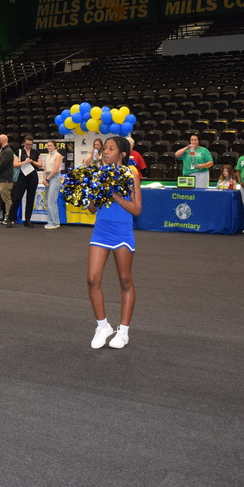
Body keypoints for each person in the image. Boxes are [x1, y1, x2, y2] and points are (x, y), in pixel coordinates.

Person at [86, 136, 143, 350]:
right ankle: (102, 326)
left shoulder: (131, 175)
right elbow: (92, 209)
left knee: (125, 280)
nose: (105, 152)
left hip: (122, 232)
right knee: (92, 278)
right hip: (101, 230)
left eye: (111, 148)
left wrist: (116, 195)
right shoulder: (99, 174)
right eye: (105, 148)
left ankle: (124, 331)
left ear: (123, 154)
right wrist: (93, 194)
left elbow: (137, 210)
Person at [10, 134, 42, 227]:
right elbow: (15, 164)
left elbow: (40, 165)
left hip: (33, 176)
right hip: (22, 176)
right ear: (24, 143)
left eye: (31, 144)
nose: (29, 146)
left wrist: (32, 161)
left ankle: (27, 220)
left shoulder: (36, 153)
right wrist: (24, 162)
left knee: (30, 198)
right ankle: (10, 218)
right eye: (27, 144)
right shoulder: (19, 152)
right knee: (17, 198)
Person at [0, 134, 15, 227]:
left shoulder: (8, 151)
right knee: (5, 198)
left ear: (2, 140)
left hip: (6, 179)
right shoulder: (4, 150)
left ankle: (9, 217)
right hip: (3, 178)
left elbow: (3, 164)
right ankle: (7, 216)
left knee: (7, 199)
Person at [42, 139, 64, 229]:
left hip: (54, 178)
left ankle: (54, 222)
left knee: (52, 201)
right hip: (47, 177)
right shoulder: (47, 157)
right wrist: (44, 179)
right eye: (48, 145)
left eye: (51, 145)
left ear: (55, 146)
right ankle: (51, 221)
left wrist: (47, 179)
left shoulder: (58, 156)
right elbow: (45, 169)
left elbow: (55, 170)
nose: (49, 147)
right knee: (48, 201)